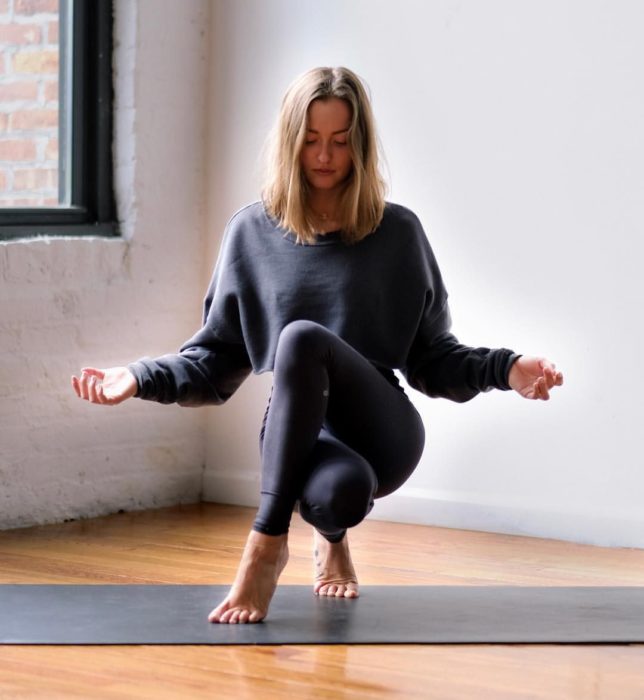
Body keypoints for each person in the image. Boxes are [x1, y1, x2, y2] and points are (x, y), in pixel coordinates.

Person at [71, 66, 563, 624]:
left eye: (339, 141)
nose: (324, 156)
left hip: (382, 426)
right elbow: (212, 363)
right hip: (298, 436)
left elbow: (432, 358)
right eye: (309, 141)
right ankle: (329, 536)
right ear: (289, 143)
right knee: (339, 496)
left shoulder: (397, 232)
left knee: (302, 338)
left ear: (360, 144)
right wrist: (138, 376)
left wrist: (507, 368)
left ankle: (265, 546)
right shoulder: (251, 233)